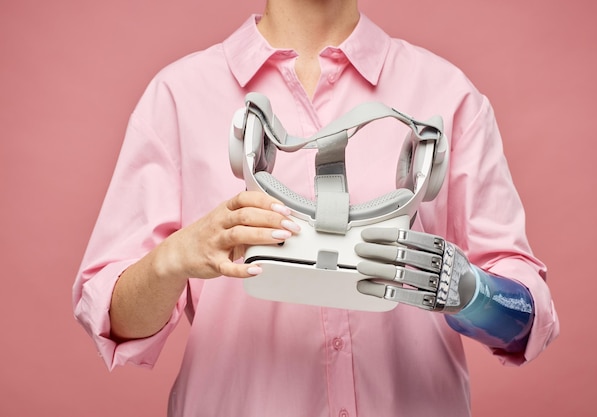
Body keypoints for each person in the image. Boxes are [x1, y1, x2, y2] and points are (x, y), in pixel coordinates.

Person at [73, 0, 559, 416]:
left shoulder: (448, 95)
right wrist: (173, 258)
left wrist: (474, 292)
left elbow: (526, 322)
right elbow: (116, 321)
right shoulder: (178, 96)